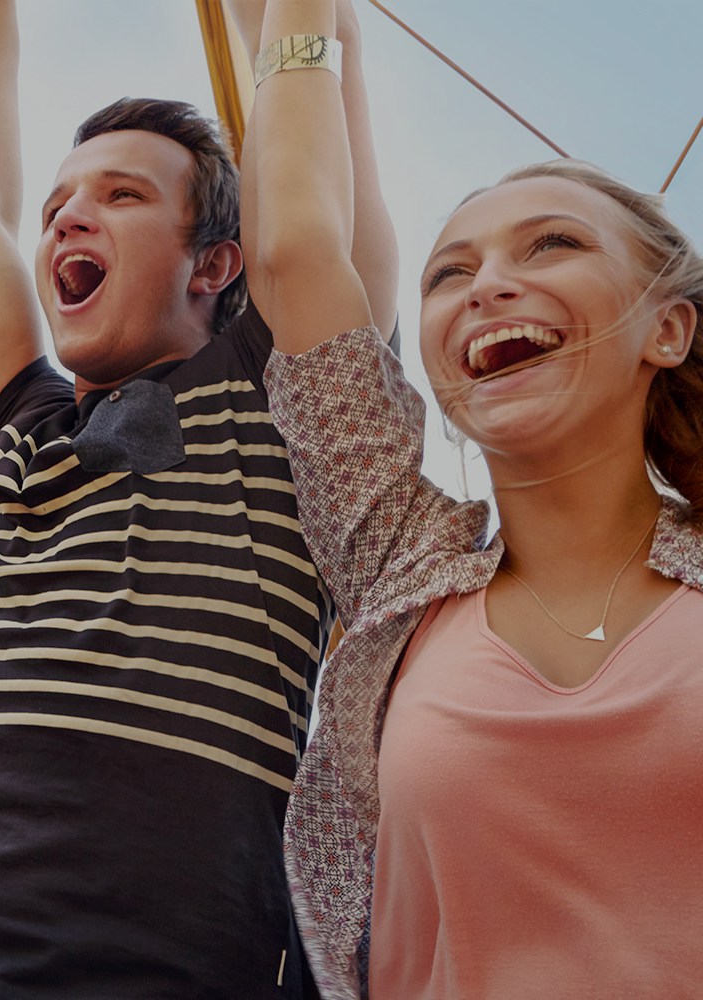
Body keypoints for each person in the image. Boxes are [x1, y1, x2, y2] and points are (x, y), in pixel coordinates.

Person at [0, 1, 397, 997]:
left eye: (122, 194)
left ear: (215, 263)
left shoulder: (279, 410)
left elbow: (319, 212)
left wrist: (308, 23)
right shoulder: (12, 429)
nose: (66, 216)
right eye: (57, 204)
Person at [243, 1, 703, 997]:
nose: (488, 283)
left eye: (549, 247)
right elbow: (295, 252)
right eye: (451, 270)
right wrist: (297, 24)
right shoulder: (398, 572)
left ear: (665, 327)